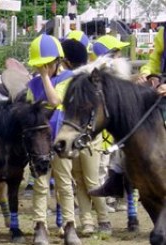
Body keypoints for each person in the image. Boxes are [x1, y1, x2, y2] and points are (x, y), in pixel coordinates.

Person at [90, 26, 166, 197]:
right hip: (161, 87)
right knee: (132, 126)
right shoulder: (164, 31)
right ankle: (117, 174)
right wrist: (146, 74)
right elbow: (155, 59)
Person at [26, 34, 81, 245]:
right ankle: (40, 226)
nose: (42, 69)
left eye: (46, 64)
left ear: (57, 61)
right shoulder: (32, 85)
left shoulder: (68, 79)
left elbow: (55, 99)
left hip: (61, 139)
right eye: (39, 65)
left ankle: (69, 226)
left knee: (64, 183)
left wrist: (46, 78)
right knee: (40, 184)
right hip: (40, 143)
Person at [61, 39, 112, 236]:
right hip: (73, 135)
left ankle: (104, 218)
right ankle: (87, 220)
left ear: (66, 61)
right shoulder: (69, 80)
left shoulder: (86, 81)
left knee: (90, 180)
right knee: (79, 179)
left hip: (89, 138)